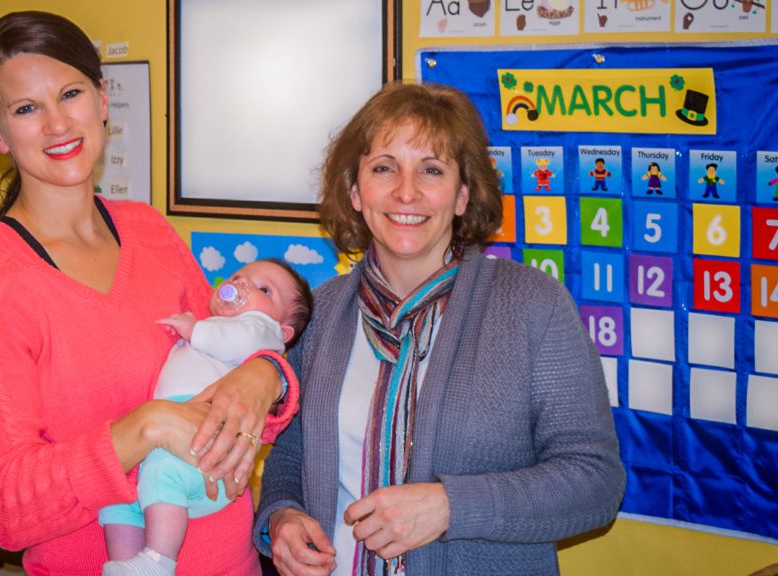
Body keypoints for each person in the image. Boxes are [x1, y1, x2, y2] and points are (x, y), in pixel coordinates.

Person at [0, 11, 297, 576]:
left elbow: (241, 366)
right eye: (27, 109)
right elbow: (4, 509)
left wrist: (266, 377)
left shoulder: (149, 231)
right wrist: (143, 428)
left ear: (103, 101)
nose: (58, 124)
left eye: (71, 93)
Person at [253, 82, 625, 576]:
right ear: (356, 192)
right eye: (384, 168)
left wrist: (450, 506)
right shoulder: (322, 313)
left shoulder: (535, 306)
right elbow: (292, 451)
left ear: (462, 194)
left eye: (431, 170)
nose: (407, 191)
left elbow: (595, 483)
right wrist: (282, 515)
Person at [101, 258, 313, 576]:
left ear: (283, 331)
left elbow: (242, 340)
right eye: (238, 277)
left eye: (264, 288)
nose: (242, 285)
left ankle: (159, 559)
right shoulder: (217, 328)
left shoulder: (260, 330)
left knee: (163, 474)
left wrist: (193, 329)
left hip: (206, 437)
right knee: (119, 496)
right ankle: (126, 563)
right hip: (172, 431)